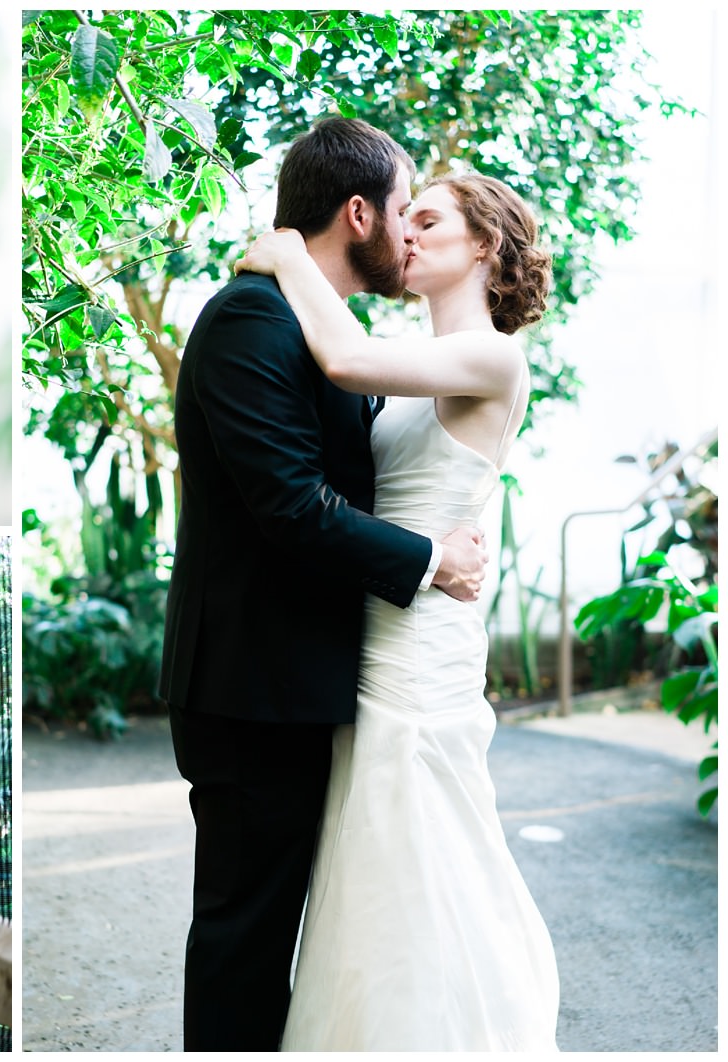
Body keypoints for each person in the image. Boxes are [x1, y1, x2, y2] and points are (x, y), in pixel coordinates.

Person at [157, 116, 490, 1051]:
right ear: (357, 213)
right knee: (245, 935)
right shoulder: (249, 320)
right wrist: (428, 561)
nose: (409, 233)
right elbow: (292, 505)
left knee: (302, 929)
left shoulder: (309, 322)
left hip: (306, 684)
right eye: (400, 209)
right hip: (250, 690)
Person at [235, 171, 559, 1049]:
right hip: (377, 626)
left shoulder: (493, 355)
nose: (403, 234)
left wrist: (286, 256)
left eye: (427, 220)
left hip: (422, 648)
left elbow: (342, 360)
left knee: (418, 844)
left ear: (485, 245)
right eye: (402, 217)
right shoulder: (414, 357)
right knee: (369, 860)